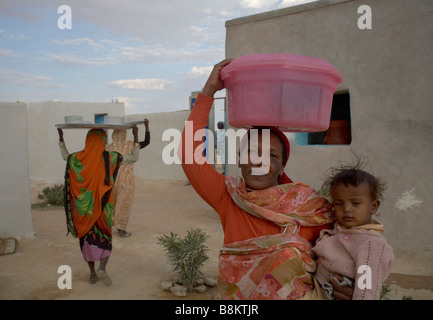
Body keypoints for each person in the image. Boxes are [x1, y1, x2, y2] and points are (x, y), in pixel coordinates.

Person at [178, 59, 346, 300]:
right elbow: (188, 153)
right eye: (251, 151)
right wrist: (209, 92)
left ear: (282, 166)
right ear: (239, 158)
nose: (259, 161)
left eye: (271, 155)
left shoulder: (308, 206)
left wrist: (345, 286)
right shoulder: (229, 197)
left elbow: (345, 249)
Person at [57, 126, 140, 285]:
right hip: (104, 206)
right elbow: (133, 158)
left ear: (87, 140)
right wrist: (136, 137)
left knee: (87, 239)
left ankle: (92, 274)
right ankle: (103, 267)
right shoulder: (111, 157)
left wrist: (61, 139)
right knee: (104, 236)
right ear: (103, 141)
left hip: (83, 209)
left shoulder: (77, 158)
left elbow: (64, 156)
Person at [313, 159, 394, 299]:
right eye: (339, 203)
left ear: (373, 206)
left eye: (355, 203)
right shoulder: (342, 229)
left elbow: (366, 289)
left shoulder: (370, 243)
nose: (346, 209)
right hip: (319, 283)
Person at [105, 119, 150, 238]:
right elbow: (146, 142)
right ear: (124, 134)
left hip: (111, 181)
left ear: (114, 134)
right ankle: (121, 229)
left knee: (111, 204)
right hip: (126, 182)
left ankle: (107, 227)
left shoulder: (108, 147)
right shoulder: (130, 145)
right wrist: (144, 128)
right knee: (123, 204)